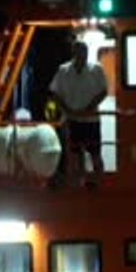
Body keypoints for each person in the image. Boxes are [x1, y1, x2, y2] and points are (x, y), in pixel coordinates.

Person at [48, 41, 108, 189]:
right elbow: (54, 92)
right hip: (72, 120)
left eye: (84, 51)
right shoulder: (63, 71)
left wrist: (90, 107)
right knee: (76, 154)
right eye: (79, 51)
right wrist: (66, 109)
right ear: (74, 53)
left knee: (95, 153)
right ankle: (80, 184)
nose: (82, 54)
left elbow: (103, 91)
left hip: (91, 119)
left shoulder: (96, 69)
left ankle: (100, 183)